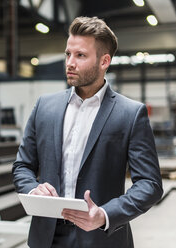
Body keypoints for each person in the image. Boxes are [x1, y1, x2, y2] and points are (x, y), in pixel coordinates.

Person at [12, 16, 163, 248]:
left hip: (102, 237)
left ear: (104, 61)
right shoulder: (45, 107)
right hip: (47, 237)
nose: (70, 63)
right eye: (68, 54)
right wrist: (34, 189)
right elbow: (22, 165)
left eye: (80, 55)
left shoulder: (130, 114)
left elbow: (149, 184)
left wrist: (105, 214)